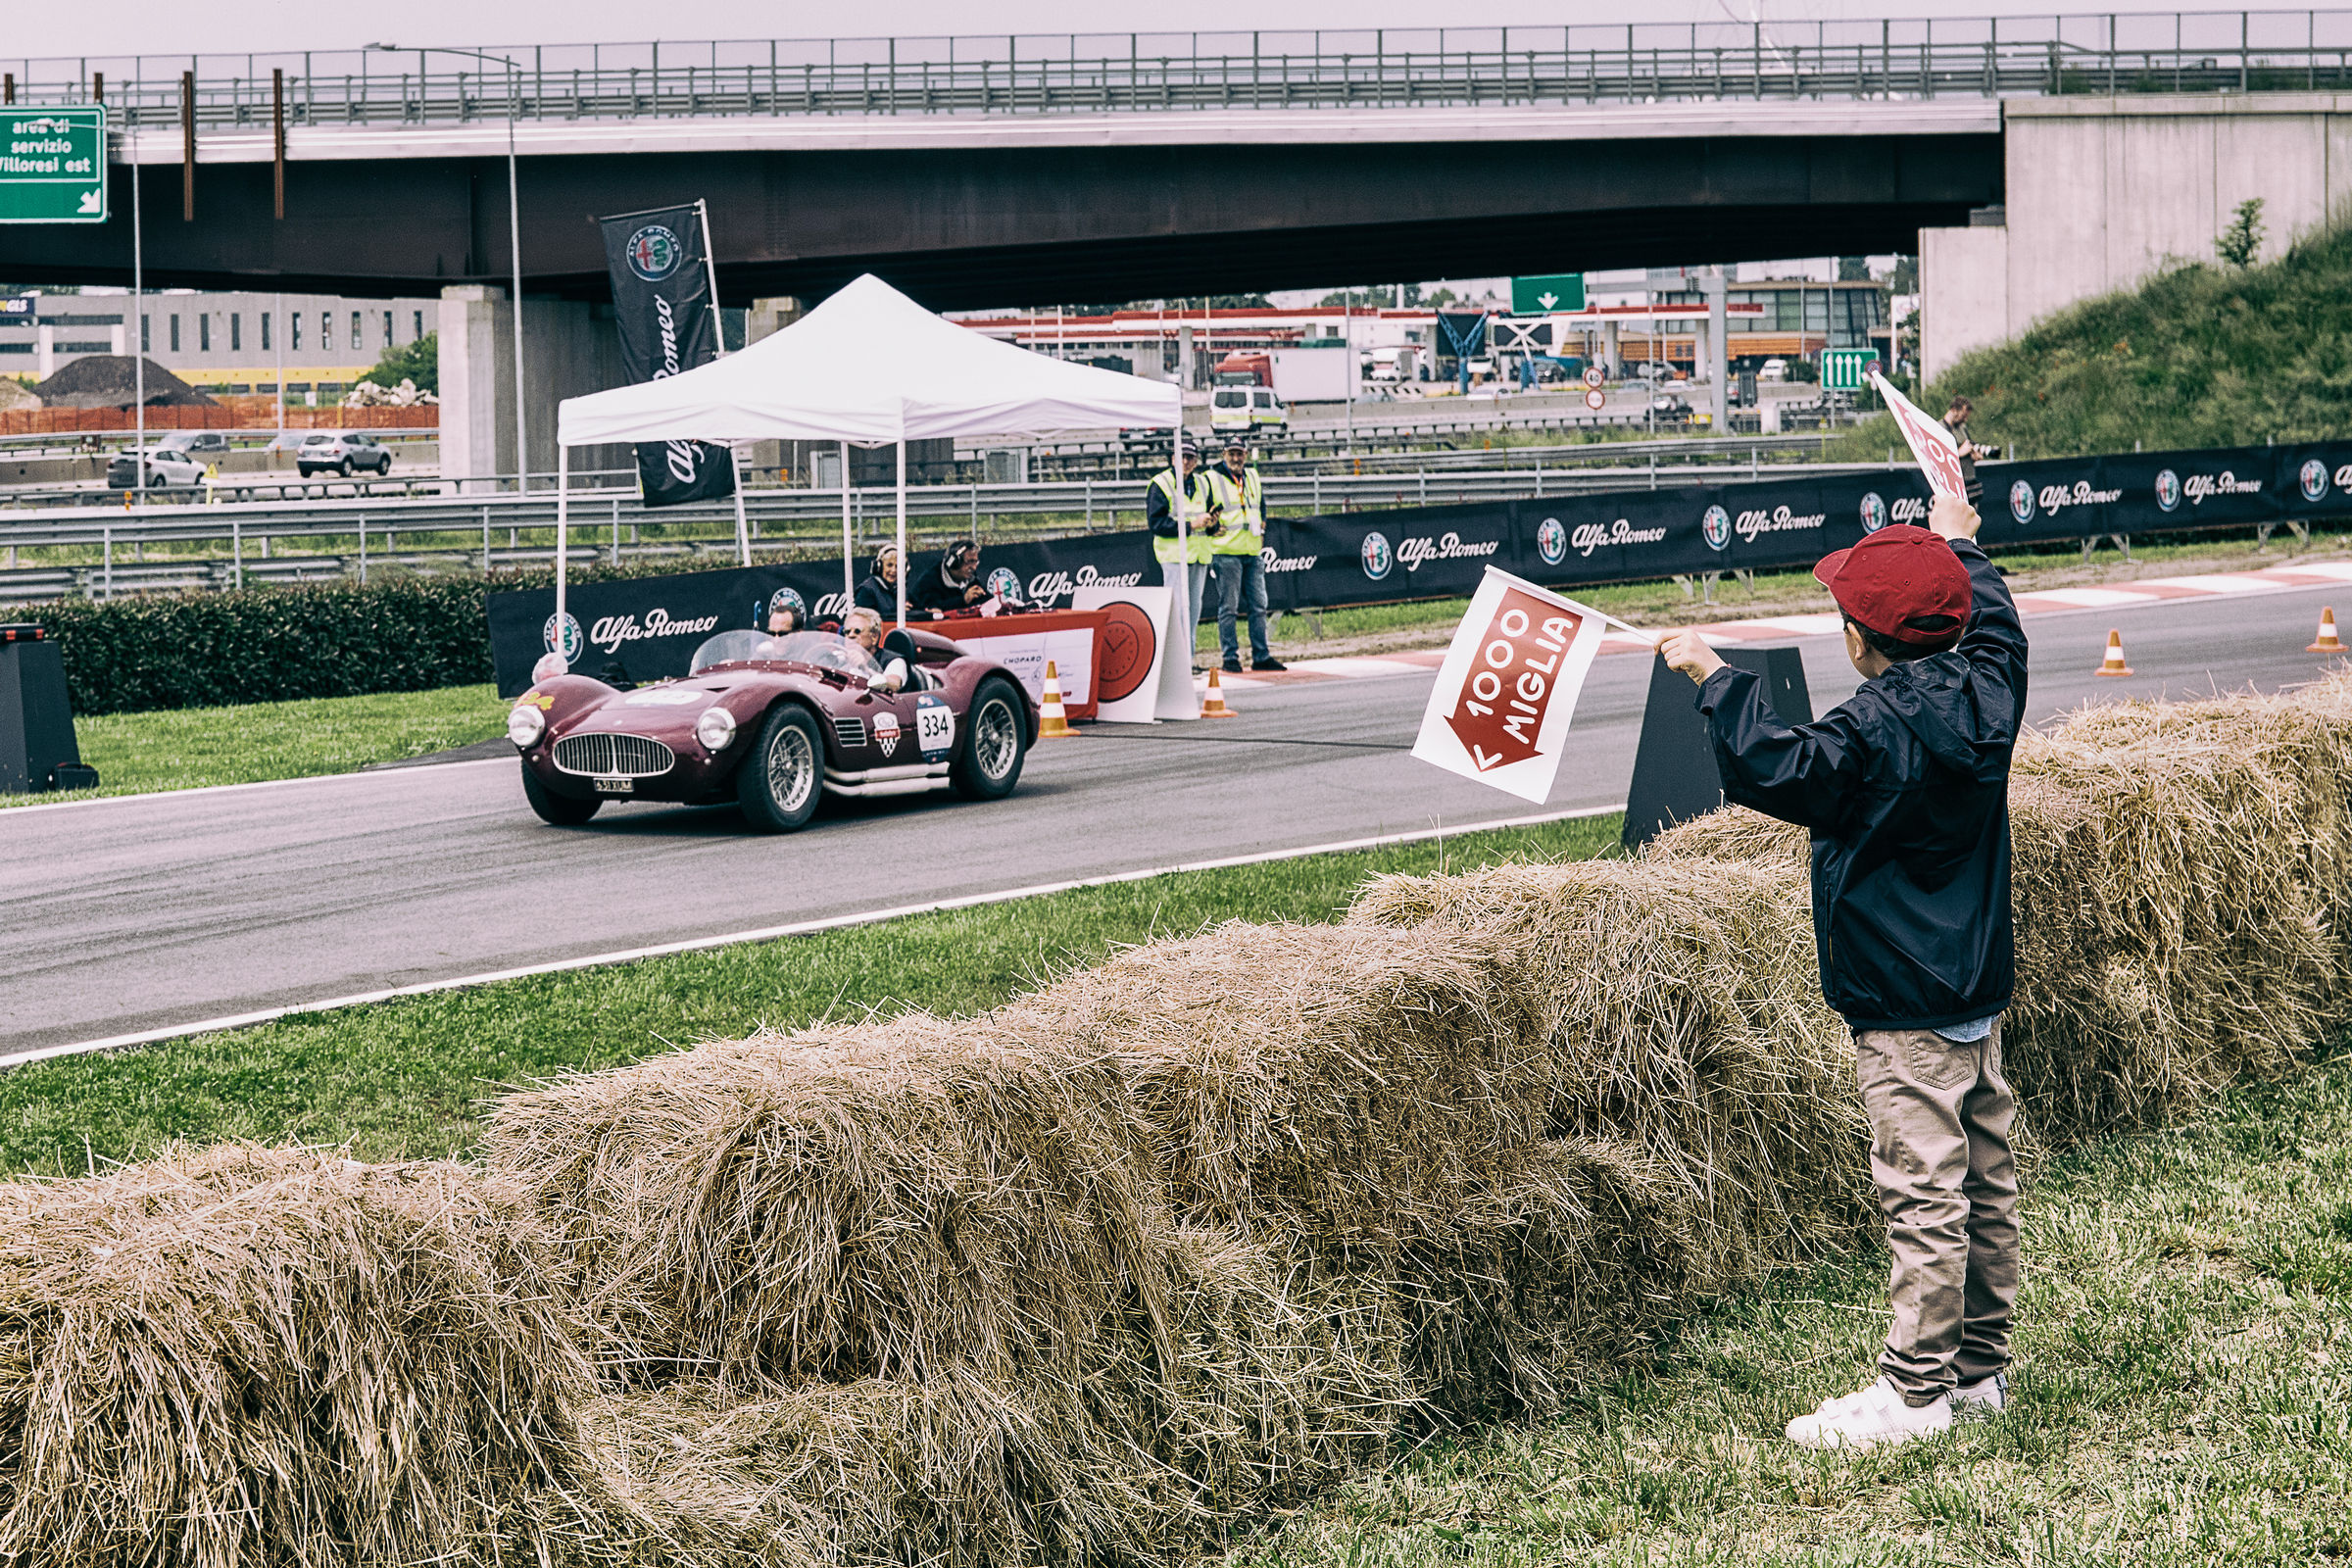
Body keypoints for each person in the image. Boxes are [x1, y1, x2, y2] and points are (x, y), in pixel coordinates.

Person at [1657, 493, 2027, 1452]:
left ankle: (1913, 1394)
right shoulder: (1994, 689)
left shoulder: (1866, 732)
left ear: (1862, 639)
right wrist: (1961, 543)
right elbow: (1998, 624)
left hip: (1901, 1008)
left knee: (1925, 1193)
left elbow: (1777, 766)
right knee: (1985, 1184)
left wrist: (1714, 676)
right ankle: (1979, 1371)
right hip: (1976, 991)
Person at [1204, 437, 1286, 674]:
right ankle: (1230, 657)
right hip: (1226, 551)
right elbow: (1204, 509)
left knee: (1259, 606)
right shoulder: (1211, 478)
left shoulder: (1252, 476)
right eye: (1231, 453)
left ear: (1246, 455)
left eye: (1239, 453)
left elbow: (1260, 505)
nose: (1236, 458)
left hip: (1251, 550)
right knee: (1228, 608)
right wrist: (1210, 527)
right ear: (1224, 454)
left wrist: (1262, 527)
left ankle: (1261, 655)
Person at [1146, 443, 1220, 666]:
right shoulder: (1161, 483)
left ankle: (1188, 660)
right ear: (1172, 459)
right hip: (1174, 556)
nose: (1186, 461)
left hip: (1198, 555)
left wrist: (1211, 524)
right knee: (1178, 611)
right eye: (1182, 457)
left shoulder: (1202, 482)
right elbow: (1156, 523)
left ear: (1196, 460)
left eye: (1190, 457)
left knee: (1193, 610)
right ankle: (1176, 663)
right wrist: (1191, 525)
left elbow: (1206, 518)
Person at [909, 540, 988, 618]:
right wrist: (963, 600)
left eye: (975, 562)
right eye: (969, 562)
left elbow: (987, 600)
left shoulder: (971, 578)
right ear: (954, 562)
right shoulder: (929, 581)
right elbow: (931, 608)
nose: (974, 567)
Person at [841, 607, 909, 692]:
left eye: (857, 631)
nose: (850, 636)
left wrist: (865, 668)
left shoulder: (894, 661)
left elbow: (894, 684)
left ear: (874, 637)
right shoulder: (839, 660)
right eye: (847, 632)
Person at [1943, 395, 1992, 506]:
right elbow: (1939, 458)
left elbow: (1969, 446)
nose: (1965, 419)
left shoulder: (1962, 428)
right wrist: (1958, 453)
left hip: (1969, 480)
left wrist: (1973, 455)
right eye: (1963, 416)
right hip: (1954, 485)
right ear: (1954, 410)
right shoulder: (1940, 428)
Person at [854, 545, 902, 618]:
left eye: (898, 566)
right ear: (879, 567)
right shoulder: (866, 590)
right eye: (889, 565)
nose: (894, 570)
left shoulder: (896, 590)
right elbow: (867, 623)